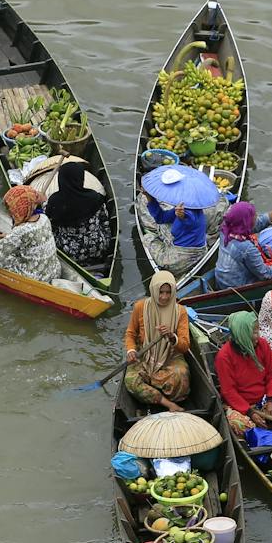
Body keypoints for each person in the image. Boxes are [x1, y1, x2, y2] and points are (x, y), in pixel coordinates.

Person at [214, 312, 272, 436]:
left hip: (264, 400)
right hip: (241, 406)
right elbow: (229, 391)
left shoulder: (262, 344)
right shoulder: (224, 356)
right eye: (254, 332)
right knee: (239, 424)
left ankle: (266, 429)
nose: (257, 336)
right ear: (242, 334)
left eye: (257, 330)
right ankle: (263, 430)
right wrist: (250, 412)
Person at [123, 270, 191, 410]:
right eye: (161, 292)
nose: (165, 297)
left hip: (170, 356)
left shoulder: (180, 311)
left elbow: (184, 346)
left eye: (168, 292)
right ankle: (167, 403)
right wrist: (131, 350)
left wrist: (172, 337)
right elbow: (130, 334)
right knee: (130, 381)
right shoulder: (140, 307)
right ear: (154, 290)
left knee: (181, 375)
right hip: (145, 355)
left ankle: (156, 393)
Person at [210, 198, 272, 291]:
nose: (256, 217)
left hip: (222, 279)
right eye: (254, 217)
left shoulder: (226, 228)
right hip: (239, 285)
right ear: (246, 222)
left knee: (254, 238)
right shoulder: (246, 248)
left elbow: (259, 223)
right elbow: (266, 274)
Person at [43, 160, 114, 271]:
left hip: (69, 253)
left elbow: (49, 226)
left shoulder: (55, 201)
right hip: (98, 248)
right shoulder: (94, 196)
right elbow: (104, 222)